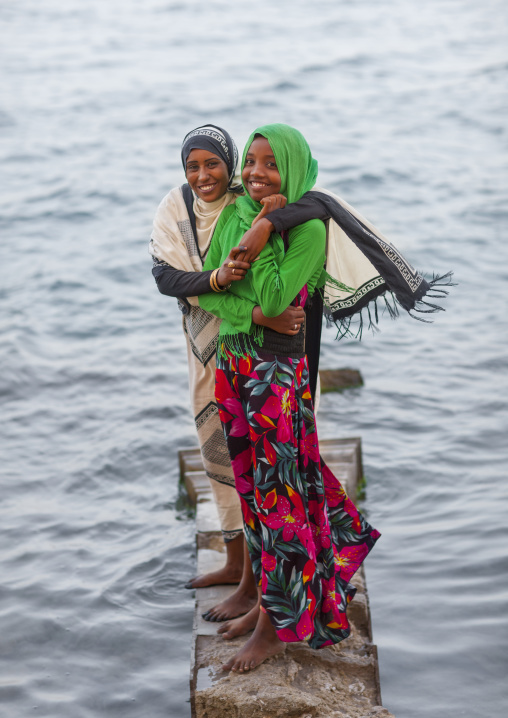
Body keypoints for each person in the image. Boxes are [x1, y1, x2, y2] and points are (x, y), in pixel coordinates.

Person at [200, 124, 381, 672]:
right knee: (256, 493)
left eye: (270, 164)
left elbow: (278, 292)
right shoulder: (235, 214)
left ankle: (277, 627)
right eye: (251, 161)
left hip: (276, 377)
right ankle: (271, 601)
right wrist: (251, 310)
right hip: (233, 368)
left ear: (295, 171)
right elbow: (217, 292)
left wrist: (263, 232)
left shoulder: (308, 232)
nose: (254, 173)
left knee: (281, 501)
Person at [150, 125, 330, 595]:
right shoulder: (182, 207)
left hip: (271, 363)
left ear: (228, 165)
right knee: (228, 458)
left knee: (280, 481)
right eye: (192, 165)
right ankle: (242, 570)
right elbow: (169, 278)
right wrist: (225, 288)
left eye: (214, 164)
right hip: (218, 350)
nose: (203, 175)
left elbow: (313, 207)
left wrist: (265, 224)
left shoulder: (248, 203)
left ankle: (274, 594)